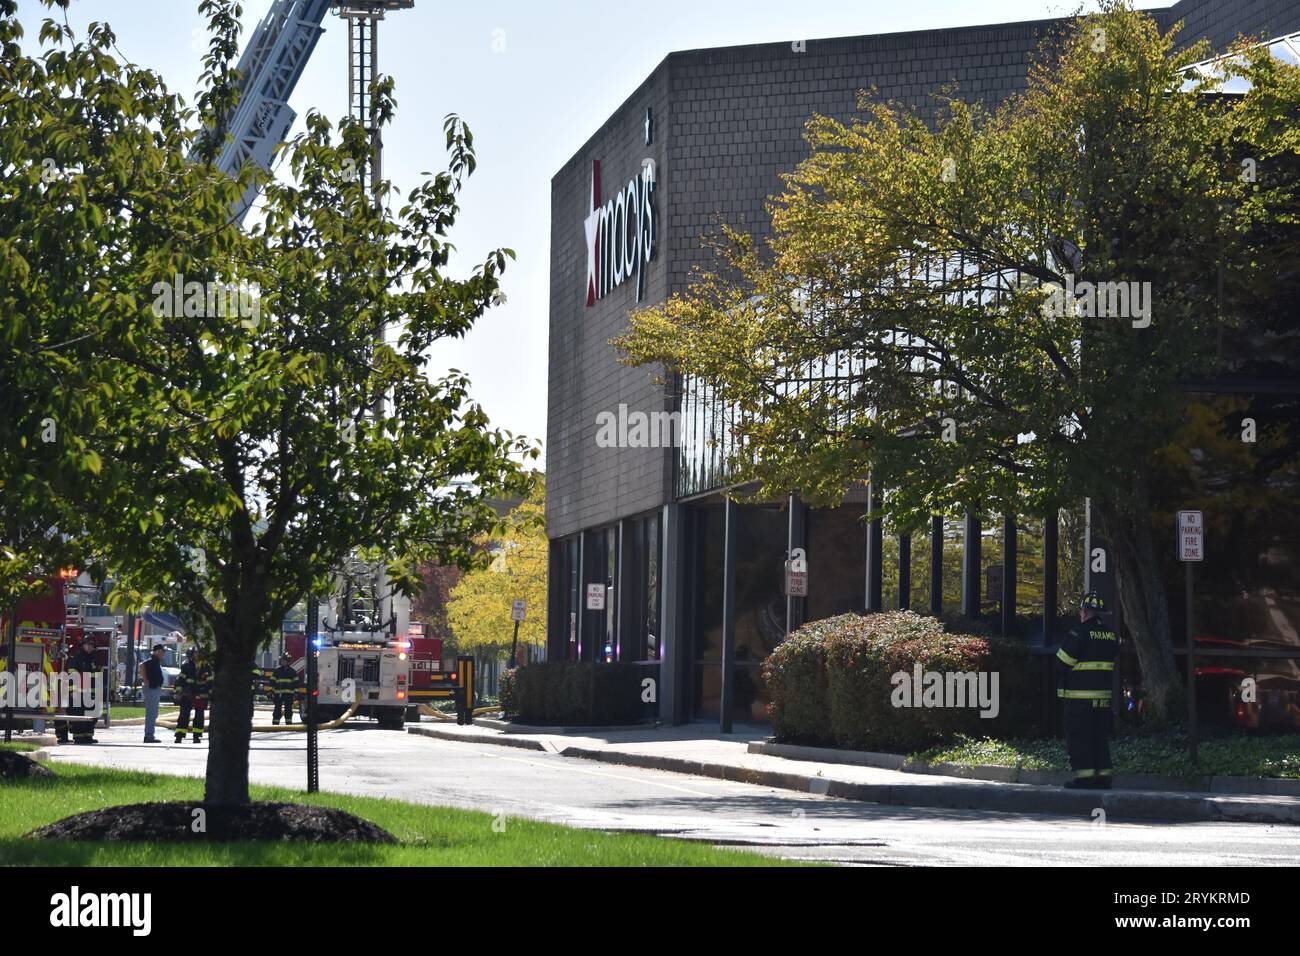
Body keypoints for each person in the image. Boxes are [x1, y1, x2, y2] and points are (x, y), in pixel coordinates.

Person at [1056, 590, 1119, 789]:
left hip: (1079, 699)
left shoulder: (1078, 633)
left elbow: (1063, 661)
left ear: (1084, 612)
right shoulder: (1111, 636)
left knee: (1079, 738)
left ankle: (1085, 778)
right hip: (1103, 699)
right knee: (1099, 738)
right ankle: (1103, 777)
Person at [65, 637, 100, 744]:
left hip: (91, 692)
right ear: (83, 645)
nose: (89, 647)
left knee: (91, 715)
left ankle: (88, 736)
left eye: (91, 645)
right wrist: (72, 691)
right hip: (78, 692)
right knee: (78, 714)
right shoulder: (77, 657)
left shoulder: (94, 658)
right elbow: (72, 675)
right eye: (87, 644)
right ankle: (79, 736)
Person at [174, 648, 212, 744]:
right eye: (195, 652)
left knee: (199, 716)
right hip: (187, 694)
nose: (197, 654)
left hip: (201, 695)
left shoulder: (206, 666)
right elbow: (180, 680)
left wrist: (211, 695)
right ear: (192, 653)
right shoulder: (186, 665)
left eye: (199, 653)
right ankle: (179, 736)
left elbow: (210, 682)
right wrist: (178, 692)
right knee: (183, 715)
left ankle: (197, 736)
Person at [140, 644, 166, 743]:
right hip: (151, 688)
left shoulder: (156, 661)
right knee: (151, 713)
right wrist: (146, 680)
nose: (163, 653)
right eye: (162, 651)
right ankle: (149, 736)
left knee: (153, 713)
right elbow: (141, 665)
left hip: (154, 689)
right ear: (157, 651)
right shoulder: (153, 660)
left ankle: (150, 735)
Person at [270, 653, 299, 725]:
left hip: (289, 694)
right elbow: (272, 682)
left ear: (289, 661)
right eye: (283, 660)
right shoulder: (277, 671)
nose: (284, 662)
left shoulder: (293, 672)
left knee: (288, 709)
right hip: (278, 694)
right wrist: (271, 692)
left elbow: (296, 683)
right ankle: (275, 723)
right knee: (277, 709)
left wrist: (295, 693)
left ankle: (288, 723)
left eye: (286, 661)